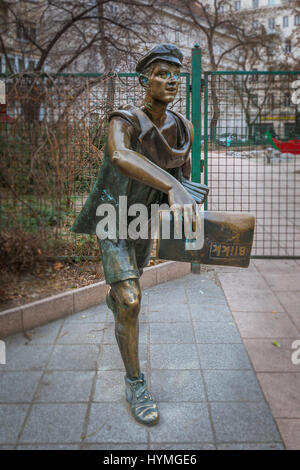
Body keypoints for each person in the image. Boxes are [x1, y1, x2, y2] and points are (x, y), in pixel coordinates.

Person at [71, 44, 201, 426]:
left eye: (176, 74)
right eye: (162, 73)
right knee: (130, 299)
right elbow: (119, 156)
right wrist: (172, 186)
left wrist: (187, 200)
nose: (172, 80)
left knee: (129, 290)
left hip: (143, 220)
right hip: (114, 217)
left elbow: (184, 180)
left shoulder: (182, 127)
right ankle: (135, 382)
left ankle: (118, 300)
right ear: (144, 80)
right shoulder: (124, 120)